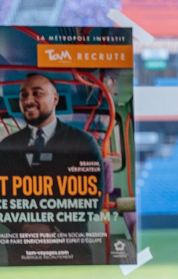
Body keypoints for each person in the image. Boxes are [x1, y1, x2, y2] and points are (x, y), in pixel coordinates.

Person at [0, 72, 103, 265]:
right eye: (23, 95)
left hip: (72, 249)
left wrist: (51, 229)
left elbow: (93, 197)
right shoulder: (6, 146)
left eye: (37, 93)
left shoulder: (82, 142)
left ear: (55, 99)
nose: (28, 100)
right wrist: (24, 227)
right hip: (23, 252)